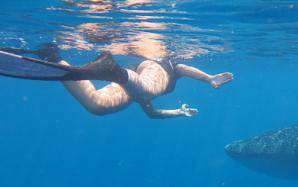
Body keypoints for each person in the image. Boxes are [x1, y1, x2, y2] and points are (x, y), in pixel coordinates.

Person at [0, 44, 233, 118]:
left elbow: (152, 114)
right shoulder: (171, 64)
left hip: (133, 80)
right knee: (148, 91)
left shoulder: (141, 99)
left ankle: (52, 55)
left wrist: (178, 113)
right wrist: (208, 78)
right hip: (150, 71)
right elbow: (184, 68)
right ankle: (114, 71)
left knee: (97, 106)